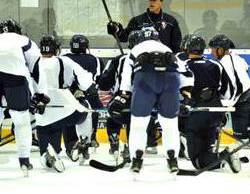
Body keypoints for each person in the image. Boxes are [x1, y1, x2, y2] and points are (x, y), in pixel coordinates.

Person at [115, 26, 194, 175]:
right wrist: (186, 94)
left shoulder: (135, 49)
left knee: (139, 124)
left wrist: (123, 96)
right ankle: (172, 160)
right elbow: (186, 73)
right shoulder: (167, 49)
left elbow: (126, 76)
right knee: (170, 125)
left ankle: (136, 159)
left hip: (145, 79)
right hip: (170, 81)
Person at [36, 35, 94, 172]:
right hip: (65, 111)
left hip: (42, 115)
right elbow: (86, 83)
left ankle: (48, 157)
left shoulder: (33, 63)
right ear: (56, 49)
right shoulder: (65, 61)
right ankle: (83, 143)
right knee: (86, 110)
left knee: (47, 149)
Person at [182, 35, 240, 173]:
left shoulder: (183, 66)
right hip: (215, 113)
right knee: (205, 151)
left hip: (196, 114)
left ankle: (226, 155)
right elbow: (227, 91)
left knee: (197, 161)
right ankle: (223, 159)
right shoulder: (216, 65)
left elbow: (180, 93)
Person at [0, 19, 49, 176]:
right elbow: (36, 69)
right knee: (21, 120)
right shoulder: (25, 41)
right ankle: (24, 160)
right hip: (16, 79)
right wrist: (41, 94)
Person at [98, 30, 140, 160]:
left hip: (121, 98)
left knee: (114, 110)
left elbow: (104, 82)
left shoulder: (119, 59)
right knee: (135, 123)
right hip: (143, 100)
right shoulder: (151, 61)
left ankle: (114, 139)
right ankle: (131, 146)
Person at [62, 34, 103, 152]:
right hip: (89, 93)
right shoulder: (94, 59)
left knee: (67, 115)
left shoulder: (63, 58)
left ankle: (71, 144)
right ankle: (92, 137)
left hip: (68, 94)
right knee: (96, 109)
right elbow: (97, 79)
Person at [209, 34, 250, 140]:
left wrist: (221, 108)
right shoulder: (236, 58)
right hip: (248, 98)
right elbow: (246, 67)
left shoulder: (222, 64)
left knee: (242, 137)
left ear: (221, 50)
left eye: (213, 49)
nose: (211, 52)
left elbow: (231, 92)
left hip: (243, 102)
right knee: (245, 135)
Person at [107, 0, 182, 53]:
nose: (151, 3)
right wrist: (116, 30)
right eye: (150, 0)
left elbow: (177, 44)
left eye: (154, 0)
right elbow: (124, 37)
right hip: (143, 60)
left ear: (161, 2)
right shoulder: (137, 21)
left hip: (165, 60)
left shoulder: (171, 21)